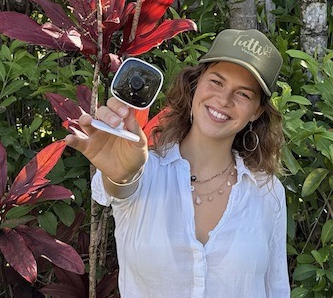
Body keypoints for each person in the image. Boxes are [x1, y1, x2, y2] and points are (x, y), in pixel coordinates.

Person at [65, 29, 290, 297]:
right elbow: (121, 184)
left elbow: (276, 288)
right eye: (216, 82)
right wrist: (120, 175)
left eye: (243, 94)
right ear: (196, 84)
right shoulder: (144, 170)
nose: (224, 99)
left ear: (257, 111)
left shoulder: (267, 191)